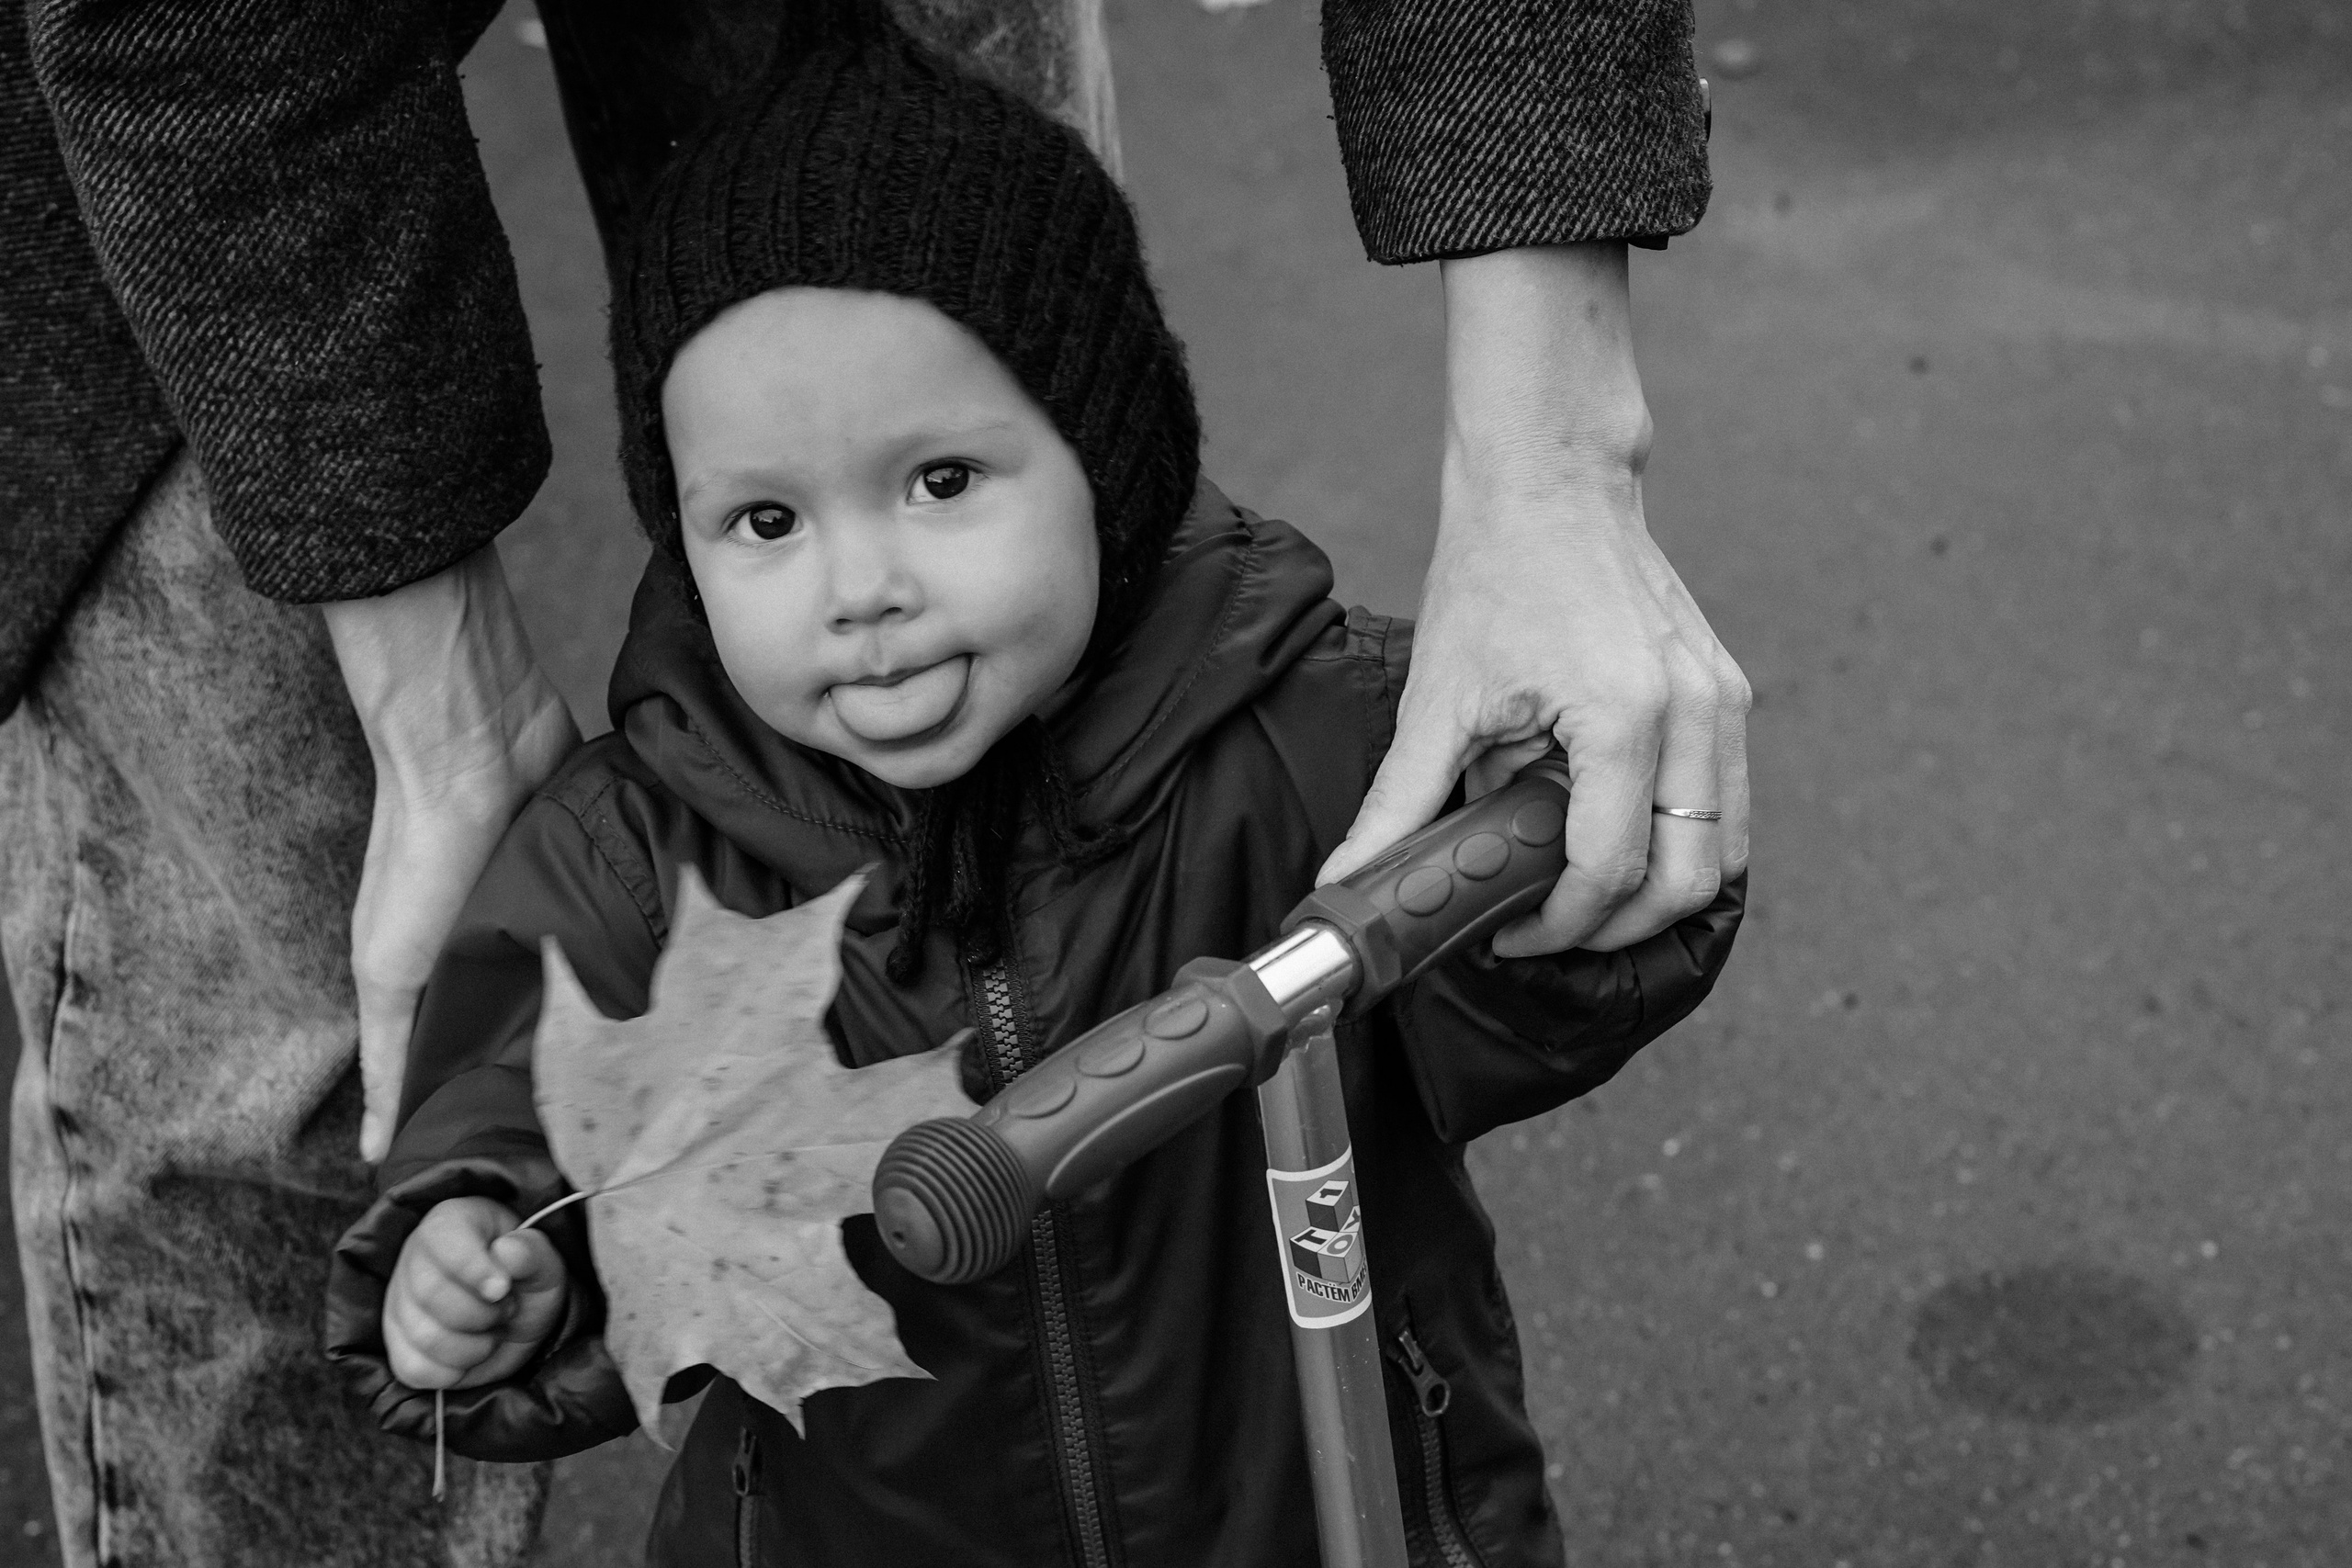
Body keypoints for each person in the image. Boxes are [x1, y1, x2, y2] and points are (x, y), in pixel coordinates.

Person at [4, 1, 1738, 1563]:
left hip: (1324, 1506)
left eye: (941, 481)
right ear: (681, 537)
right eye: (766, 521)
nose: (859, 588)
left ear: (1108, 455)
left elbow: (1515, 995)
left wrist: (1569, 877)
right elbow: (533, 1124)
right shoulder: (638, 852)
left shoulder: (1305, 728)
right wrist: (485, 1251)